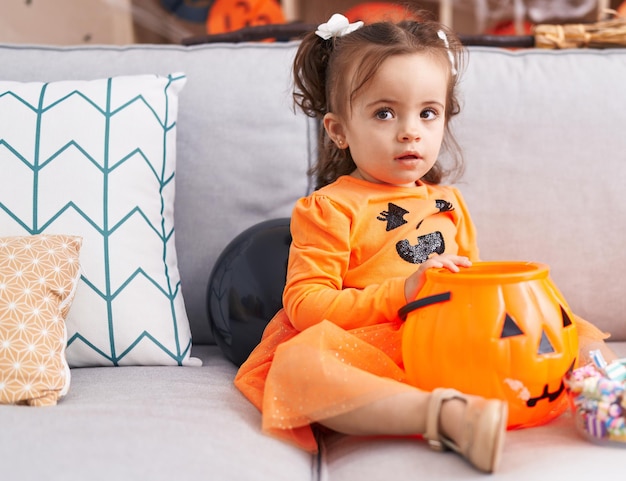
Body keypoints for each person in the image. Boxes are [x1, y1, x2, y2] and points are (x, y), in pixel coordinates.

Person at [234, 12, 613, 474]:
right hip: (373, 348)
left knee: (567, 324)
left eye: (427, 113)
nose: (410, 130)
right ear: (339, 131)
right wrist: (402, 292)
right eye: (384, 113)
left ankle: (611, 390)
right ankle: (448, 417)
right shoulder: (330, 208)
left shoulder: (447, 202)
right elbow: (305, 303)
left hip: (453, 342)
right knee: (299, 367)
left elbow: (472, 278)